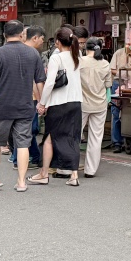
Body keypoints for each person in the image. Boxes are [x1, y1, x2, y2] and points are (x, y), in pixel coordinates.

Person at [0, 21, 46, 192]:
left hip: (2, 106)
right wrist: (41, 102)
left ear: (4, 35)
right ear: (22, 34)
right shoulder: (33, 54)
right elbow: (39, 81)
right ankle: (22, 182)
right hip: (25, 106)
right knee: (23, 142)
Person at [28, 28, 83, 187]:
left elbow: (50, 82)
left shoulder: (56, 58)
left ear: (57, 42)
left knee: (49, 139)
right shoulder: (77, 56)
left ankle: (44, 174)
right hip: (76, 103)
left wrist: (42, 103)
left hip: (58, 104)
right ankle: (73, 175)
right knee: (72, 138)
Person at [8, 26, 45, 170]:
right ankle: (21, 158)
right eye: (41, 38)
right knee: (28, 130)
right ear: (34, 37)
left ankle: (29, 157)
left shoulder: (17, 52)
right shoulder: (31, 54)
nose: (42, 42)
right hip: (29, 98)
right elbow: (35, 81)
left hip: (16, 97)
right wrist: (41, 100)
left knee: (24, 130)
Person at [80, 38, 112, 178]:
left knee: (74, 135)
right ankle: (90, 170)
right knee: (96, 138)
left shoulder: (80, 61)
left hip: (82, 104)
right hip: (100, 104)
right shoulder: (105, 64)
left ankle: (69, 169)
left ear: (86, 48)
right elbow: (108, 85)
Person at [109, 44, 131, 153]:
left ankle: (129, 138)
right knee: (116, 112)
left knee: (130, 111)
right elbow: (111, 69)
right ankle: (117, 142)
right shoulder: (119, 53)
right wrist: (121, 73)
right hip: (118, 83)